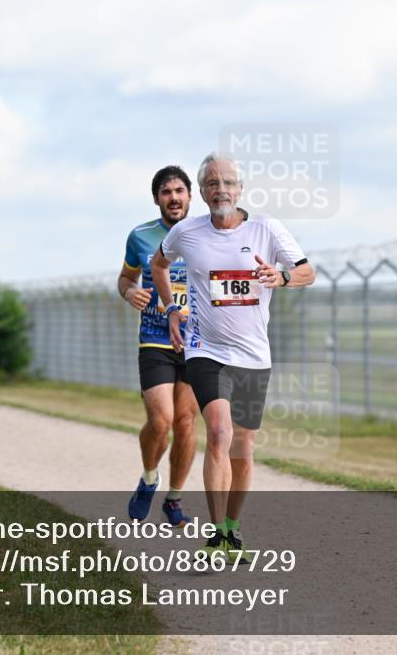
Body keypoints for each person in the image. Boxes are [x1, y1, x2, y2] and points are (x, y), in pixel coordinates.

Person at [152, 152, 315, 559]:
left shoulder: (267, 228)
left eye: (228, 182)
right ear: (202, 192)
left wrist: (280, 276)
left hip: (254, 355)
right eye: (212, 183)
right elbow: (158, 264)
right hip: (206, 350)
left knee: (243, 447)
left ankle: (233, 528)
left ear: (240, 189)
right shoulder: (187, 233)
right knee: (219, 432)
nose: (220, 189)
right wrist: (172, 308)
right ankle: (216, 532)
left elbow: (308, 271)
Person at [119, 165, 199, 527]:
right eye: (166, 192)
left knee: (185, 423)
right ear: (156, 199)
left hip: (198, 342)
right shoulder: (140, 236)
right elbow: (125, 278)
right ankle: (150, 478)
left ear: (190, 196)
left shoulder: (206, 234)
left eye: (180, 191)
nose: (174, 198)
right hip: (154, 337)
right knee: (161, 420)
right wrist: (130, 291)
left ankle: (174, 498)